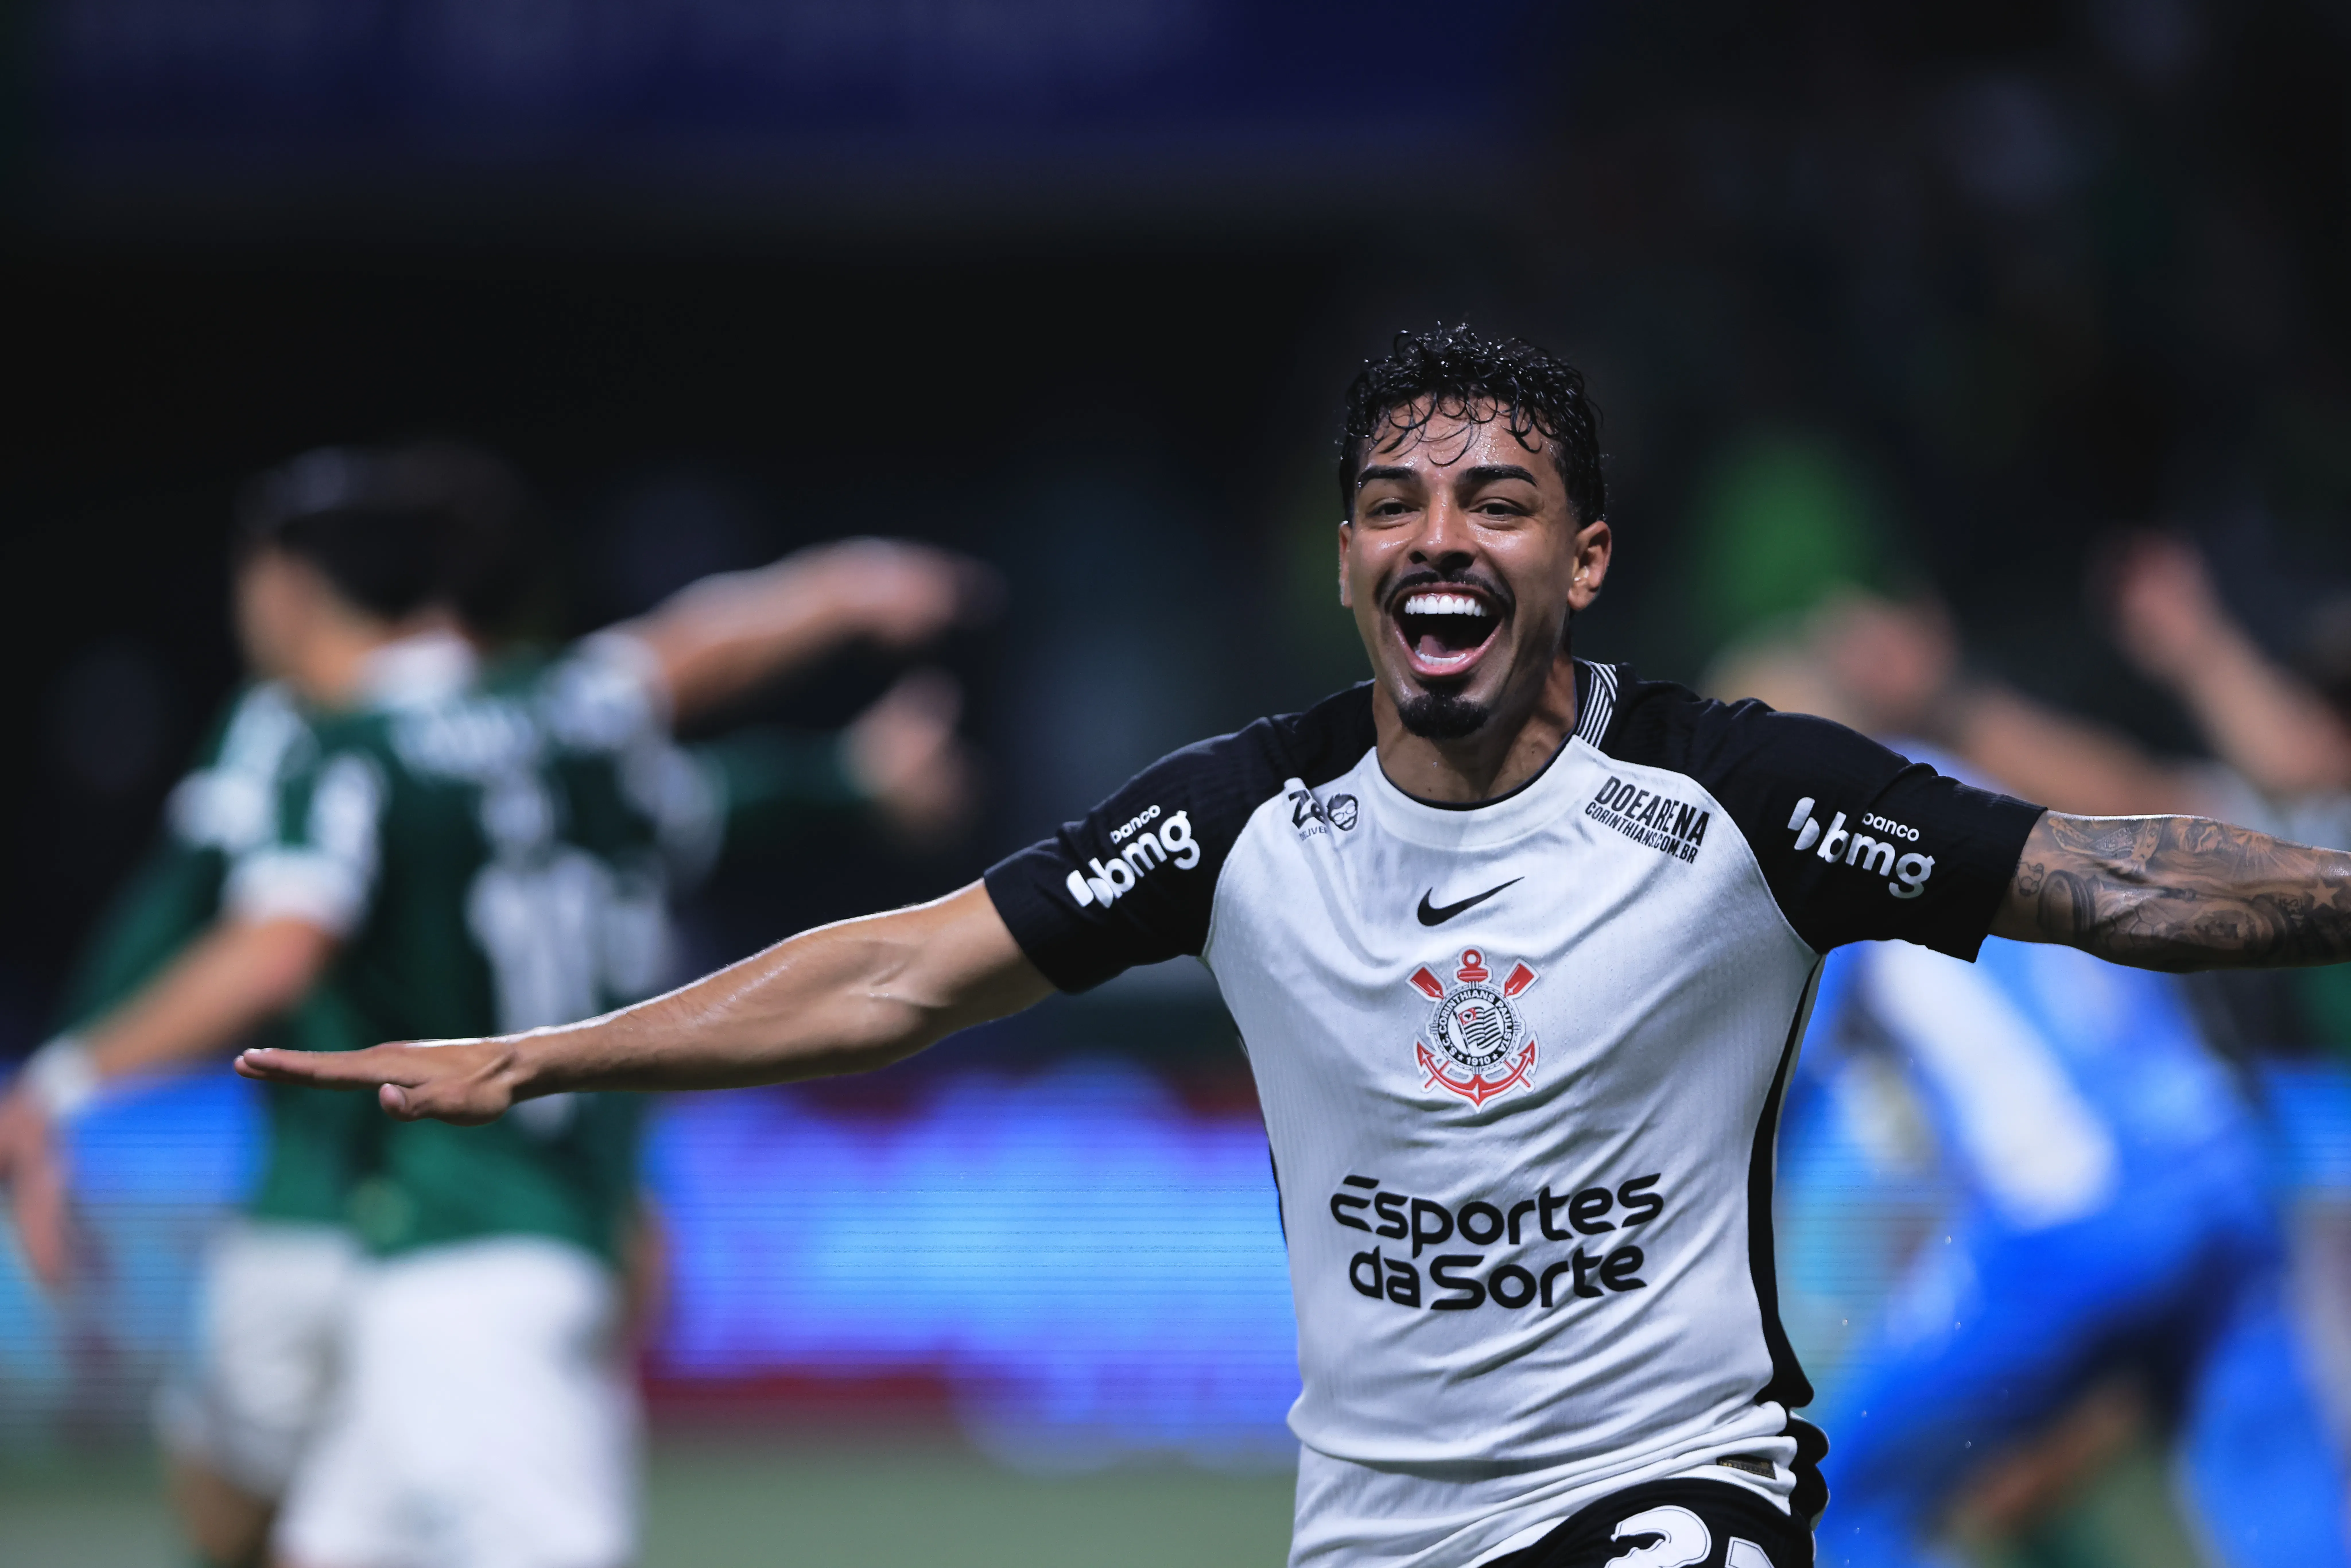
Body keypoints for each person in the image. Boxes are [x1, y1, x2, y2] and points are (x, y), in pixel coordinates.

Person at [237, 326, 2351, 1568]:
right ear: (1349, 562)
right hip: (1379, 1524)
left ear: (1583, 562)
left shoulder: (1744, 793)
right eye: (1394, 497)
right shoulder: (1237, 819)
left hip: (1670, 1488)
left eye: (1499, 496)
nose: (1441, 530)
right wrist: (546, 1055)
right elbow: (895, 970)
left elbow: (2104, 872)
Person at [0, 441, 987, 1568]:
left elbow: (261, 941)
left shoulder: (333, 744)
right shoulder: (577, 716)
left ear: (287, 590)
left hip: (436, 1228)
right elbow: (701, 662)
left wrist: (66, 1078)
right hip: (546, 1221)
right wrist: (848, 601)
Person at [1708, 635, 2348, 1568]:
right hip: (2221, 1172)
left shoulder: (1823, 859)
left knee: (1818, 1499)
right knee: (2285, 1504)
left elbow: (1751, 1091)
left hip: (2076, 1218)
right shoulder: (1991, 789)